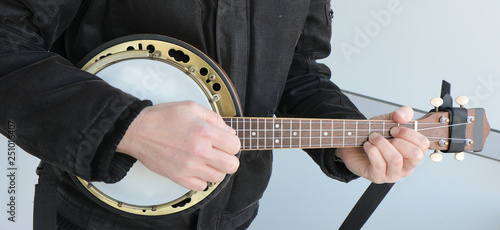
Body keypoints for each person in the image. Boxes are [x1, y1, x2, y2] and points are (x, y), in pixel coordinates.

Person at [0, 1, 429, 229]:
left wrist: (348, 137)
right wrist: (129, 126)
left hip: (233, 216)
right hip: (92, 217)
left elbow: (298, 70)